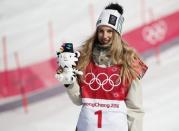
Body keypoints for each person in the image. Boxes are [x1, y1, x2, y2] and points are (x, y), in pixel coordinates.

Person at [56, 3, 148, 131]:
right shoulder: (84, 58)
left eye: (109, 31)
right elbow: (79, 100)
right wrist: (69, 82)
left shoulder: (129, 62)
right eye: (101, 31)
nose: (105, 36)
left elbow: (135, 109)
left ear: (117, 33)